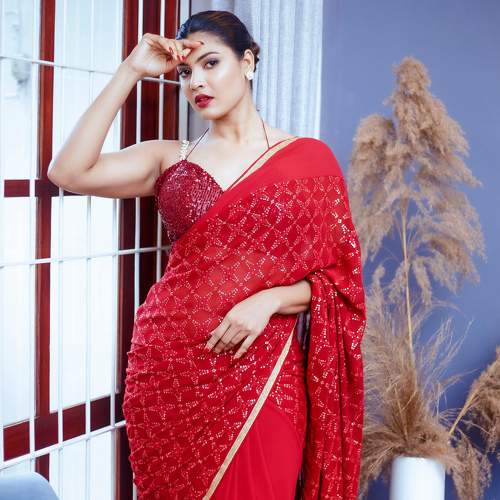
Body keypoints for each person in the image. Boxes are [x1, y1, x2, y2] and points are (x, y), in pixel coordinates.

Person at [48, 9, 366, 500]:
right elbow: (68, 171)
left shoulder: (308, 161)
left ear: (248, 62)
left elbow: (341, 284)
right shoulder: (170, 157)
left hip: (263, 372)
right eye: (185, 72)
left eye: (211, 63)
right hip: (169, 368)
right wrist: (131, 69)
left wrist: (270, 301)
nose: (196, 81)